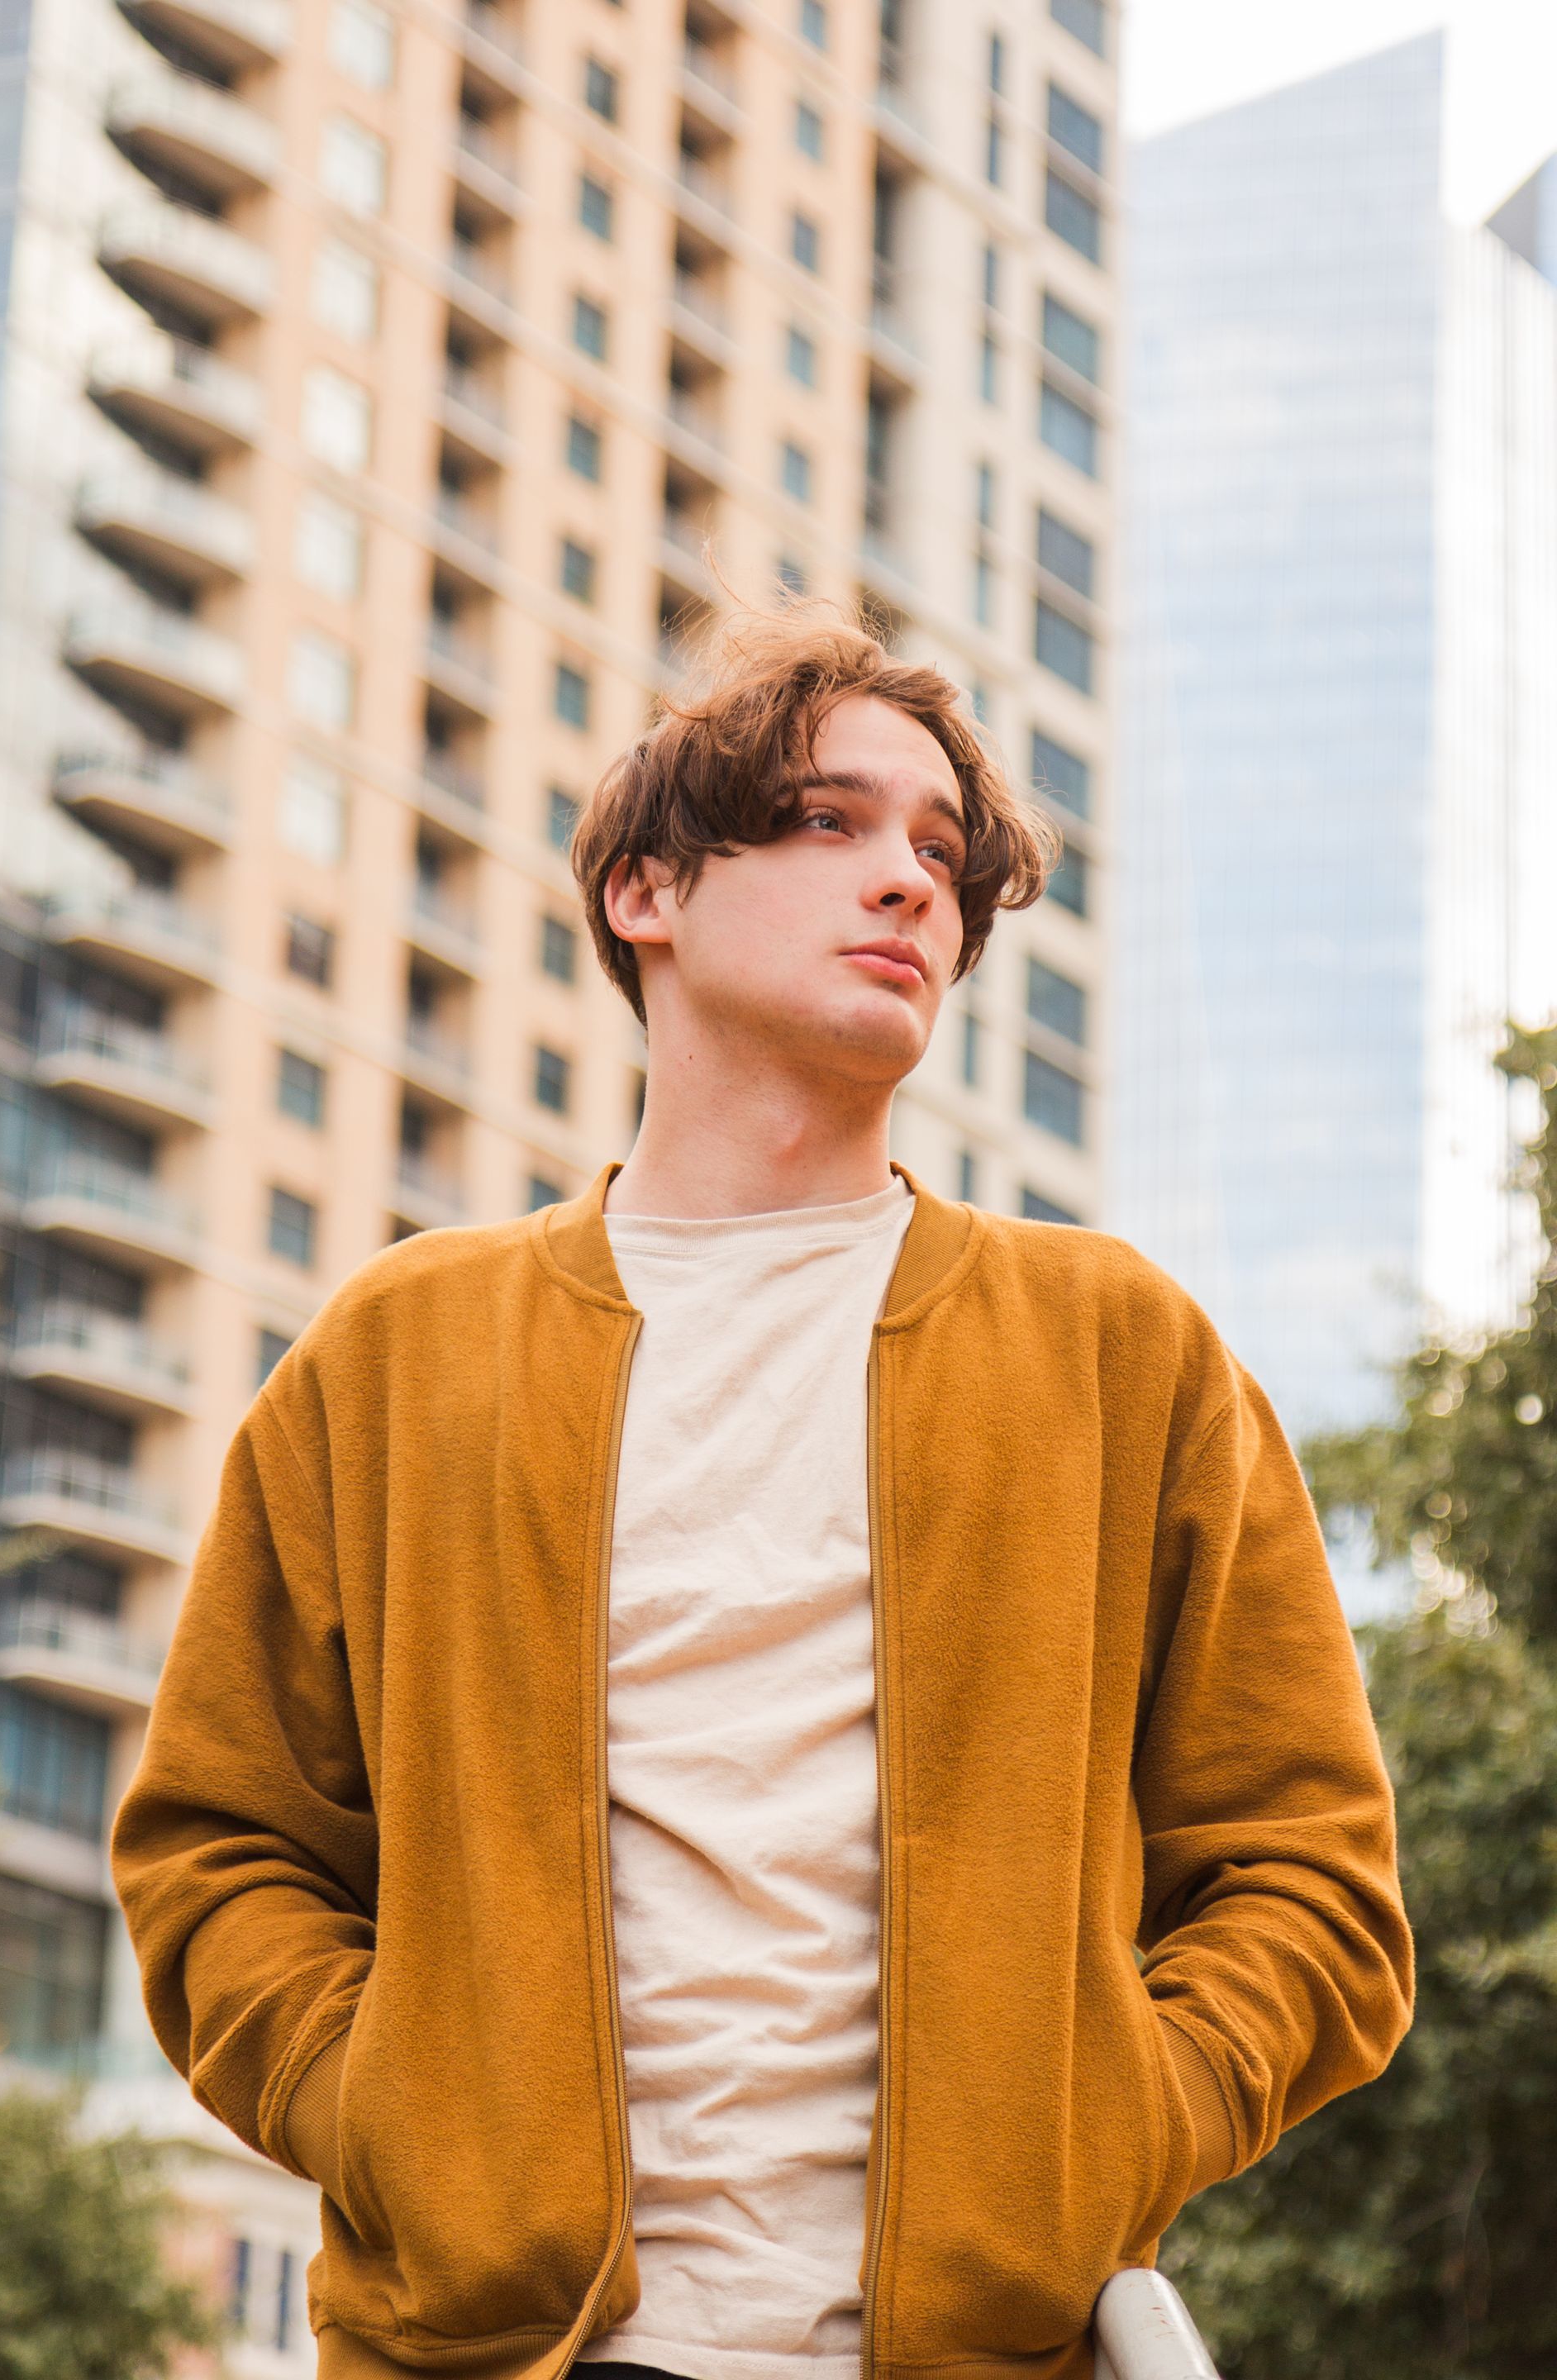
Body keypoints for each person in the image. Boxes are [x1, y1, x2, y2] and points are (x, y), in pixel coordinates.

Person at [112, 609, 1412, 2380]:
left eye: (941, 852)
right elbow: (218, 1848)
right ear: (645, 892)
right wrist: (395, 2122)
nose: (909, 881)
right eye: (828, 821)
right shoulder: (401, 1354)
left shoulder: (1120, 1351)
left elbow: (1311, 1877)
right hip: (494, 2350)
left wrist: (1118, 2129)